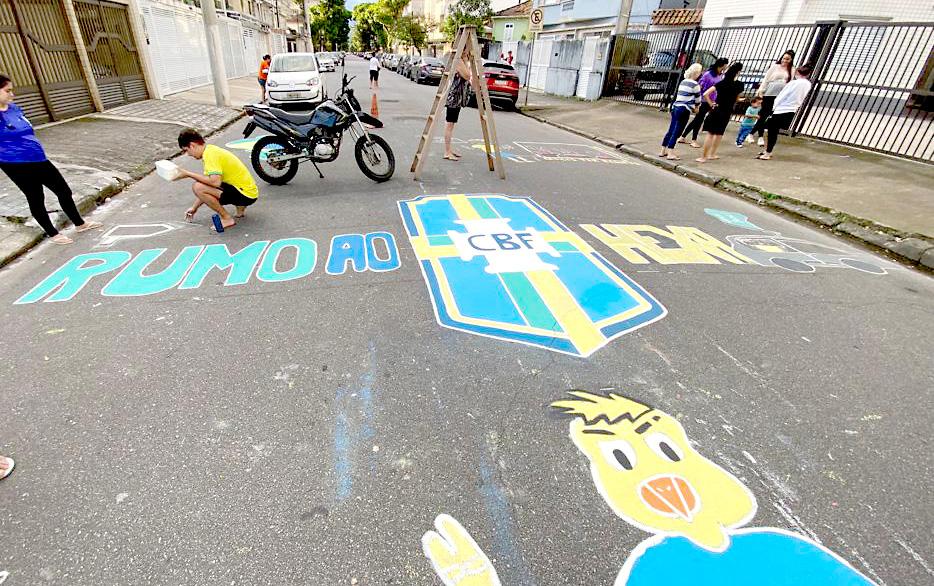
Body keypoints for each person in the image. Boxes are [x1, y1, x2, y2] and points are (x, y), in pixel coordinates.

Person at [0, 74, 102, 244]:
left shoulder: (14, 108)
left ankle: (80, 224)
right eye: (7, 91)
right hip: (16, 164)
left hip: (38, 157)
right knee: (36, 197)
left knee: (63, 190)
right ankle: (53, 234)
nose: (12, 94)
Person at [175, 128, 259, 230]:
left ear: (192, 145)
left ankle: (227, 218)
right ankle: (240, 207)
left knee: (197, 186)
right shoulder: (211, 150)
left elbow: (214, 183)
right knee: (202, 184)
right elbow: (209, 185)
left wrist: (188, 174)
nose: (188, 154)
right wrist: (194, 208)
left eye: (186, 150)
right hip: (250, 192)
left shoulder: (210, 155)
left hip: (245, 195)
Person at [757, 64, 812, 160]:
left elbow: (782, 95)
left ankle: (768, 152)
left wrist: (774, 107)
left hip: (781, 109)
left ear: (797, 72)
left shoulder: (793, 83)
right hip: (792, 109)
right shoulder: (808, 84)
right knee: (774, 131)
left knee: (772, 132)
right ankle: (768, 150)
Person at [696, 61, 744, 163]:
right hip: (727, 112)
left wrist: (711, 103)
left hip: (716, 110)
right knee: (719, 134)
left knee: (710, 134)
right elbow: (737, 99)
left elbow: (705, 94)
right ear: (738, 72)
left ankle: (703, 157)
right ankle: (712, 154)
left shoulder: (721, 83)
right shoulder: (739, 85)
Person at [679, 58, 728, 148]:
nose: (725, 67)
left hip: (711, 101)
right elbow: (700, 87)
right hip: (704, 100)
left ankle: (683, 137)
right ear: (721, 65)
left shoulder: (719, 75)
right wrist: (697, 100)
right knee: (698, 120)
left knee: (697, 120)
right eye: (725, 65)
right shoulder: (708, 75)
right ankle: (693, 140)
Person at [660, 63, 703, 161]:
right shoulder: (695, 84)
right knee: (677, 131)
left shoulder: (683, 82)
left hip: (676, 107)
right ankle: (670, 152)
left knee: (671, 129)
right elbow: (698, 99)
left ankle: (663, 150)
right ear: (697, 73)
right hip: (684, 109)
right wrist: (696, 108)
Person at [750, 50, 794, 146]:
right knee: (763, 115)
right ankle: (759, 136)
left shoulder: (792, 69)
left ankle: (751, 133)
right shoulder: (775, 67)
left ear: (791, 60)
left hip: (780, 96)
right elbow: (766, 79)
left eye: (787, 59)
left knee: (771, 117)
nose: (785, 60)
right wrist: (761, 91)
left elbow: (789, 83)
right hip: (769, 93)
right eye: (783, 58)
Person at [443, 48, 474, 161]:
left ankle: (449, 149)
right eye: (466, 50)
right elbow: (467, 75)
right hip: (454, 96)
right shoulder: (458, 60)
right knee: (449, 124)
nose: (467, 52)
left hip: (459, 97)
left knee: (451, 124)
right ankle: (447, 152)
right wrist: (465, 60)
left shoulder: (461, 60)